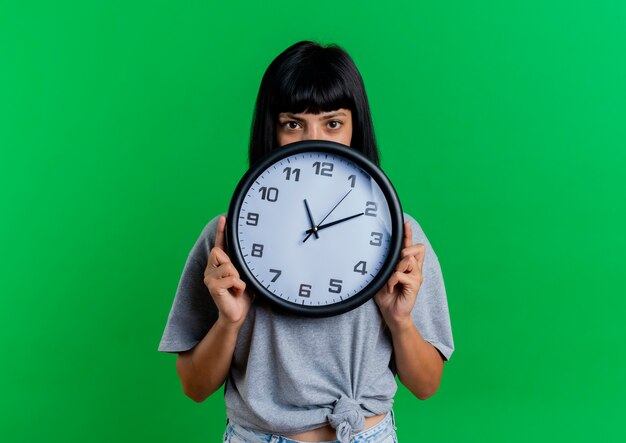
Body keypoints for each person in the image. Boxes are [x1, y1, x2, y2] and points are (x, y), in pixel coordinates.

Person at [158, 41, 454, 443]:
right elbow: (194, 387)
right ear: (271, 129)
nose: (313, 140)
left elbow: (426, 385)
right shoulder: (227, 236)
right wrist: (230, 320)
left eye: (332, 123)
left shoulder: (398, 236)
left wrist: (399, 319)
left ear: (355, 128)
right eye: (293, 124)